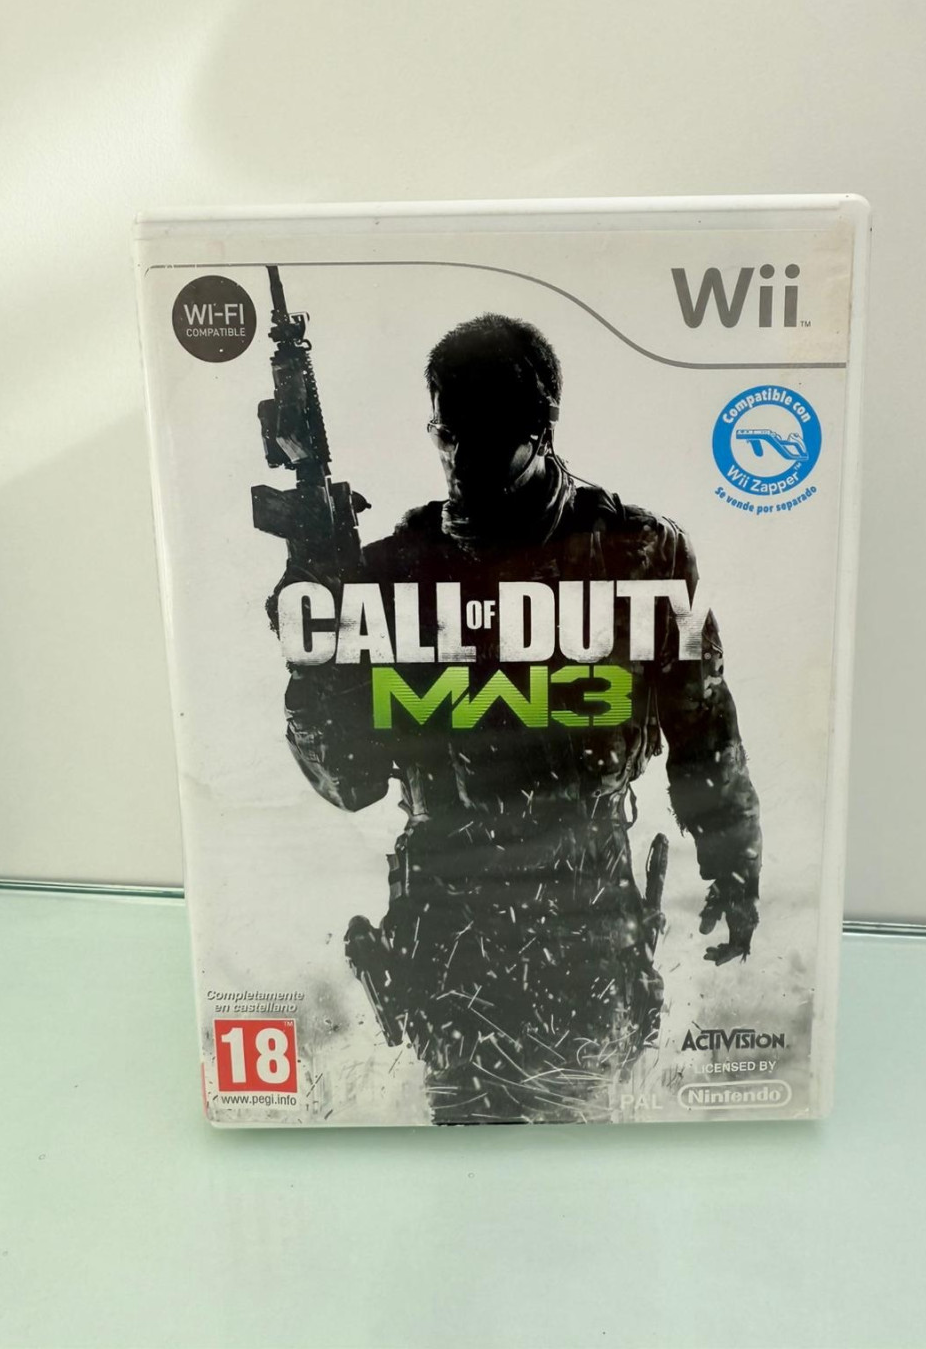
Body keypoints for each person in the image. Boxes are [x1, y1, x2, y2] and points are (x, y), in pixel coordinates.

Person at [276, 314, 761, 1123]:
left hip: (587, 932)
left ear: (542, 428)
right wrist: (312, 649)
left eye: (487, 434)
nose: (462, 458)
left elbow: (704, 730)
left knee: (579, 1134)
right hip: (449, 944)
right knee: (469, 1150)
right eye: (449, 433)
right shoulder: (392, 573)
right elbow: (349, 783)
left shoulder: (638, 552)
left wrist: (733, 869)